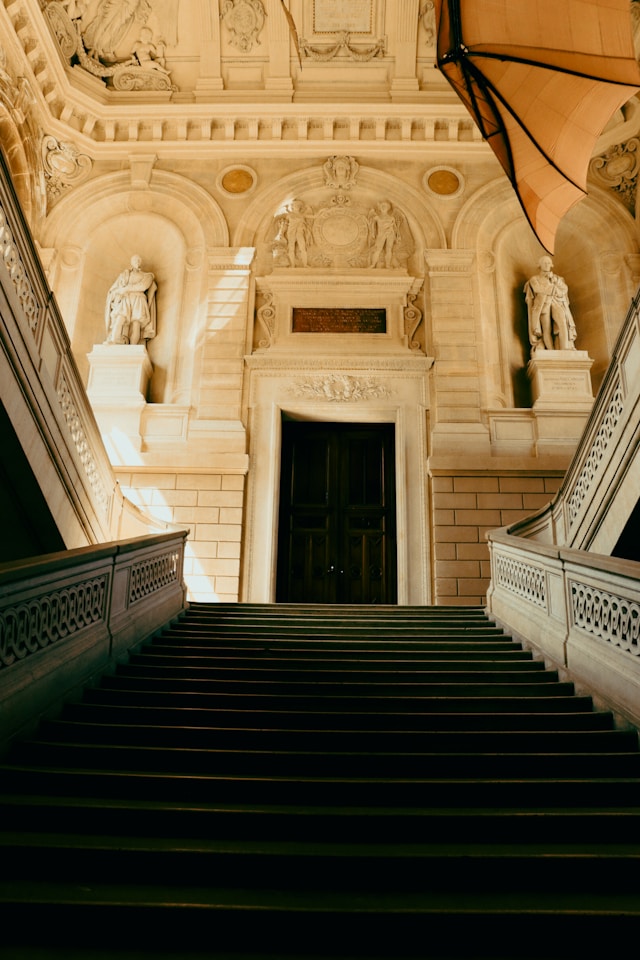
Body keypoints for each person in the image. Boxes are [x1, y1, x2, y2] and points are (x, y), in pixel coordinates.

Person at [524, 255, 577, 354]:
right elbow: (537, 289)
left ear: (551, 265)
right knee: (546, 330)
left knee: (562, 320)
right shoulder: (534, 279)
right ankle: (551, 352)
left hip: (556, 302)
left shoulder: (557, 278)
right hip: (542, 306)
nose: (547, 264)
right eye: (544, 262)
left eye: (548, 262)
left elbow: (564, 289)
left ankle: (565, 347)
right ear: (539, 265)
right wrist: (553, 289)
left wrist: (554, 282)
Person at [104, 254, 157, 345]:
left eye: (139, 261)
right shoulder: (124, 275)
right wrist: (117, 293)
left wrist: (126, 289)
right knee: (120, 318)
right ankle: (114, 340)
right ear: (131, 263)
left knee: (136, 323)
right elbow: (114, 289)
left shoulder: (147, 276)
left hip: (139, 299)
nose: (137, 262)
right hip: (125, 299)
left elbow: (143, 286)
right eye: (135, 260)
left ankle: (133, 346)